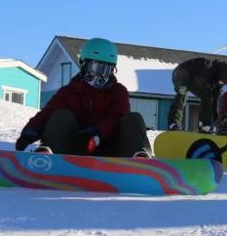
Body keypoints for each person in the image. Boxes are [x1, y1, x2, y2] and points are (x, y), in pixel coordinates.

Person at [15, 37, 153, 158]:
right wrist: (29, 132)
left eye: (106, 70)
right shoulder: (69, 92)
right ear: (83, 65)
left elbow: (117, 117)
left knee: (133, 118)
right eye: (95, 68)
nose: (100, 76)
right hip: (75, 148)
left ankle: (139, 158)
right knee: (61, 115)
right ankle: (47, 156)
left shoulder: (118, 91)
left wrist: (99, 132)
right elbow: (46, 114)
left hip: (109, 148)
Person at [167, 57, 227, 133]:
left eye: (224, 83)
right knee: (182, 96)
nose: (221, 83)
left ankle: (205, 125)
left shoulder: (218, 80)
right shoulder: (207, 68)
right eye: (221, 81)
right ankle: (174, 123)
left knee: (209, 98)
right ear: (219, 75)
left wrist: (218, 124)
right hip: (181, 74)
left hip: (194, 79)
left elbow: (215, 102)